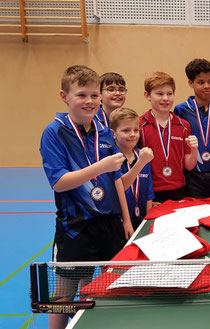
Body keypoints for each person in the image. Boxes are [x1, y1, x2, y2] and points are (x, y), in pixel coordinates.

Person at [39, 65, 133, 329]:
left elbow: (115, 181)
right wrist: (101, 166)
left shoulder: (105, 131)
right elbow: (58, 183)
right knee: (64, 295)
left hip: (109, 225)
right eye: (81, 95)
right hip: (75, 228)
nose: (89, 101)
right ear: (64, 96)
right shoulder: (54, 132)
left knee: (105, 289)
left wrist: (126, 220)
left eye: (94, 95)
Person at [174, 58, 210, 198]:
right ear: (190, 83)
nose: (207, 86)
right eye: (201, 82)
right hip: (193, 176)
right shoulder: (181, 110)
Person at [140, 72, 199, 202]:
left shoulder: (183, 125)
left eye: (169, 93)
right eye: (160, 94)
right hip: (150, 191)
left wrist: (194, 149)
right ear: (147, 95)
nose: (166, 98)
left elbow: (189, 166)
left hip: (179, 189)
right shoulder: (140, 125)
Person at [110, 107, 155, 230]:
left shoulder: (143, 155)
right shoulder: (111, 159)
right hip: (120, 222)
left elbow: (148, 194)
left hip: (141, 220)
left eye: (136, 130)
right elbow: (121, 185)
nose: (132, 135)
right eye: (126, 130)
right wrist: (141, 163)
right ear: (113, 133)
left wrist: (149, 222)